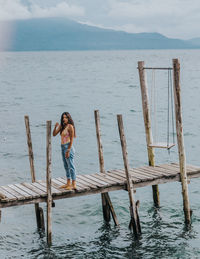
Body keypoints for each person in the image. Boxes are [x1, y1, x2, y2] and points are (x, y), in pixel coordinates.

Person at [53, 112, 77, 190]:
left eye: (66, 117)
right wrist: (55, 127)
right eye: (63, 117)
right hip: (62, 147)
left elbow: (72, 139)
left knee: (71, 166)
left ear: (68, 118)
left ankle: (74, 184)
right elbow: (54, 134)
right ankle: (68, 183)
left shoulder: (70, 127)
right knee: (66, 166)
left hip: (68, 147)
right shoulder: (62, 126)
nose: (64, 119)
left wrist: (68, 150)